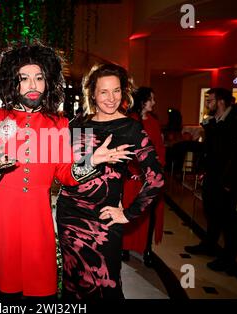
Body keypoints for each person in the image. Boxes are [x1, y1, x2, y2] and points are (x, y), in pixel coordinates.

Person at [0, 42, 122, 299]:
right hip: (0, 217)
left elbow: (64, 173)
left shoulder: (59, 123)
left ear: (48, 81)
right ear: (12, 82)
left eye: (39, 78)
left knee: (41, 290)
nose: (33, 85)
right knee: (6, 293)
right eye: (24, 78)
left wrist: (91, 161)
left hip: (36, 218)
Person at [56, 64, 164, 299]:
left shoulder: (131, 128)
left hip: (104, 221)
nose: (111, 98)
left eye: (116, 91)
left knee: (106, 285)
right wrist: (92, 160)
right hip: (70, 217)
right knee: (73, 285)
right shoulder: (77, 124)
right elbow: (66, 171)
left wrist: (128, 213)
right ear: (92, 94)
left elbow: (156, 179)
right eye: (104, 91)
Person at [184, 88, 237, 274]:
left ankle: (229, 259)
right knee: (211, 211)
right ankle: (209, 245)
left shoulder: (236, 120)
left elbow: (233, 152)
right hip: (213, 174)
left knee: (228, 220)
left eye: (210, 101)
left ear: (221, 102)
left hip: (227, 178)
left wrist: (229, 181)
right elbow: (212, 147)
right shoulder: (215, 121)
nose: (207, 104)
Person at [122, 87, 166, 266]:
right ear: (142, 101)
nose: (154, 103)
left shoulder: (154, 122)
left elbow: (159, 149)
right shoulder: (131, 121)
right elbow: (127, 150)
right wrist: (134, 171)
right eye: (151, 99)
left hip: (150, 177)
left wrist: (155, 172)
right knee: (129, 210)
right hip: (133, 177)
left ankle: (147, 248)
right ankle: (124, 247)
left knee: (149, 214)